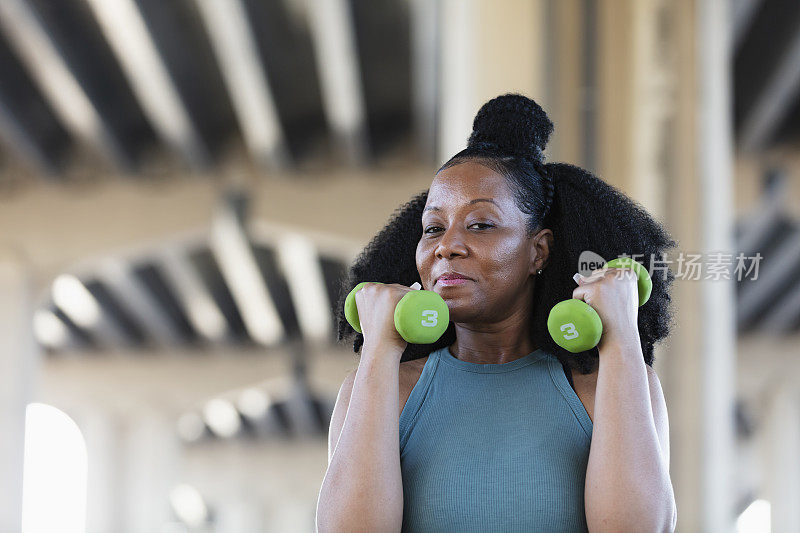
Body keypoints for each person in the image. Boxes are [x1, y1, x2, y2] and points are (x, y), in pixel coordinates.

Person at [316, 93, 677, 532]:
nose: (446, 245)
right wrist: (379, 348)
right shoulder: (380, 387)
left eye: (480, 224)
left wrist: (620, 336)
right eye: (433, 228)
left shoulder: (605, 388)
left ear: (537, 251)